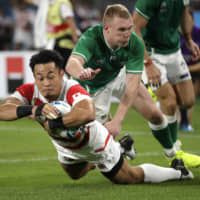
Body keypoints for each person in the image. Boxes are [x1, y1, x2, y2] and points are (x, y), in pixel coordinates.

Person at [0, 49, 194, 184]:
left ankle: (178, 173)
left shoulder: (72, 89)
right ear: (34, 78)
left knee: (129, 178)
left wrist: (55, 122)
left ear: (61, 74)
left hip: (95, 141)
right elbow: (3, 110)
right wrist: (31, 110)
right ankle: (121, 146)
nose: (46, 83)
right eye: (40, 78)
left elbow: (87, 113)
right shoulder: (29, 91)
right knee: (75, 175)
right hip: (66, 146)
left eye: (51, 76)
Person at [65, 4, 200, 168]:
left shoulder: (134, 41)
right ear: (106, 28)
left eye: (129, 28)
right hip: (93, 88)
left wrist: (117, 121)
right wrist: (81, 72)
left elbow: (132, 86)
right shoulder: (91, 38)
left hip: (118, 75)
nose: (127, 34)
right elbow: (71, 63)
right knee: (92, 158)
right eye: (121, 30)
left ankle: (173, 154)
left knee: (156, 115)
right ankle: (119, 147)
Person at [25, 0, 80, 70]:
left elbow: (70, 21)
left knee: (67, 68)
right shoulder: (46, 2)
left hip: (64, 43)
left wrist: (75, 42)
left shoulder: (62, 3)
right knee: (57, 69)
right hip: (53, 43)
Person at [179, 8, 200, 132]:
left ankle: (186, 122)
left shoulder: (198, 33)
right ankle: (180, 121)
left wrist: (189, 68)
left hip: (193, 70)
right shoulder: (173, 35)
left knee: (189, 96)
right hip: (176, 70)